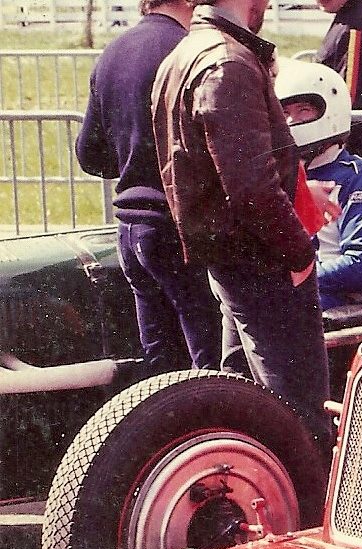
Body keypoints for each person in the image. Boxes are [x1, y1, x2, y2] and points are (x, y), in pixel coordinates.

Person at [151, 0, 331, 449]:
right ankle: (303, 511)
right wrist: (299, 252)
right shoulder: (227, 62)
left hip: (232, 257)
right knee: (295, 412)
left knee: (241, 396)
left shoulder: (186, 55)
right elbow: (252, 188)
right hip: (260, 260)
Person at [74, 0, 220, 375]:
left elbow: (89, 154)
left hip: (131, 229)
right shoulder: (190, 50)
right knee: (209, 364)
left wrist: (131, 158)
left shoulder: (113, 51)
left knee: (160, 367)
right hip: (180, 228)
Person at [276, 58, 362, 311]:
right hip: (299, 289)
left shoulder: (358, 182)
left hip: (337, 299)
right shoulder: (283, 175)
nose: (290, 122)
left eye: (303, 111)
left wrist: (289, 279)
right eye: (285, 113)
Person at [315, 0, 362, 171]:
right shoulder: (353, 16)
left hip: (354, 147)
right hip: (358, 139)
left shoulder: (357, 25)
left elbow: (349, 96)